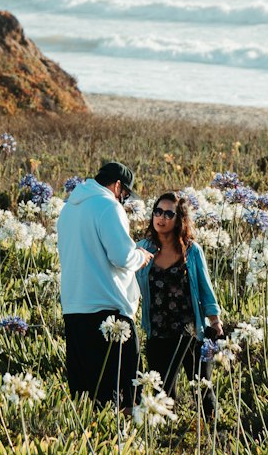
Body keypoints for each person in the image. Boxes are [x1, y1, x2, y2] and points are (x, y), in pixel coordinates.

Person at [56, 160, 153, 408]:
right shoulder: (108, 206)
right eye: (126, 194)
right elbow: (122, 256)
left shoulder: (68, 209)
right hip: (108, 308)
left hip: (74, 307)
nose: (125, 200)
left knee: (88, 394)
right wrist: (140, 256)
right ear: (117, 185)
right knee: (122, 393)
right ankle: (123, 442)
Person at [136, 191, 222, 416]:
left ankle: (213, 433)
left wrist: (215, 320)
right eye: (157, 211)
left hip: (191, 333)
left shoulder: (192, 250)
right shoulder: (142, 249)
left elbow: (205, 288)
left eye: (168, 214)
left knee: (203, 390)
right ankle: (165, 440)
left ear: (179, 220)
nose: (161, 218)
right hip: (158, 332)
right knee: (161, 393)